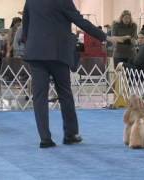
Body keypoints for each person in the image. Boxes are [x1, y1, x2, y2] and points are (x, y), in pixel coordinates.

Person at [22, 0, 119, 148]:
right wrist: (105, 37)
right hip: (58, 53)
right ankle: (70, 134)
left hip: (36, 53)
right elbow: (80, 22)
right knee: (65, 93)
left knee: (39, 97)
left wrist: (30, 43)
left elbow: (25, 25)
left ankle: (45, 138)